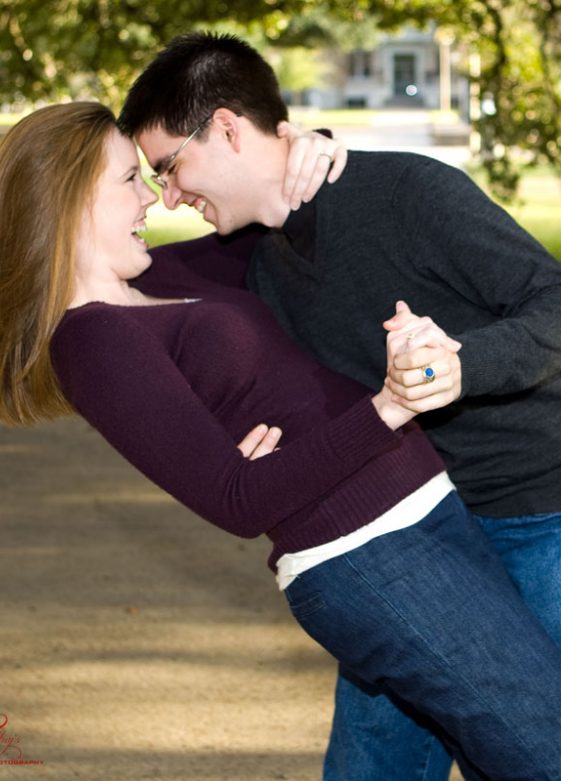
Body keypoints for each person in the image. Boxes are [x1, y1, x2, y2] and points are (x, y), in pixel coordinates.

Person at [0, 101, 561, 781]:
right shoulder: (92, 341)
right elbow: (236, 500)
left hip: (421, 523)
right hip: (370, 555)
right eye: (129, 179)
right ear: (67, 201)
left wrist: (308, 149)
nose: (153, 197)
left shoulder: (154, 277)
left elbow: (269, 213)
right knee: (545, 744)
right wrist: (386, 408)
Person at [118, 32, 561, 781]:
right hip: (414, 537)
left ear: (226, 128)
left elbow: (551, 300)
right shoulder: (247, 254)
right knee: (370, 766)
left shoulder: (408, 192)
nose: (168, 196)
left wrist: (461, 364)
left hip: (537, 518)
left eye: (168, 167)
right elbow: (114, 279)